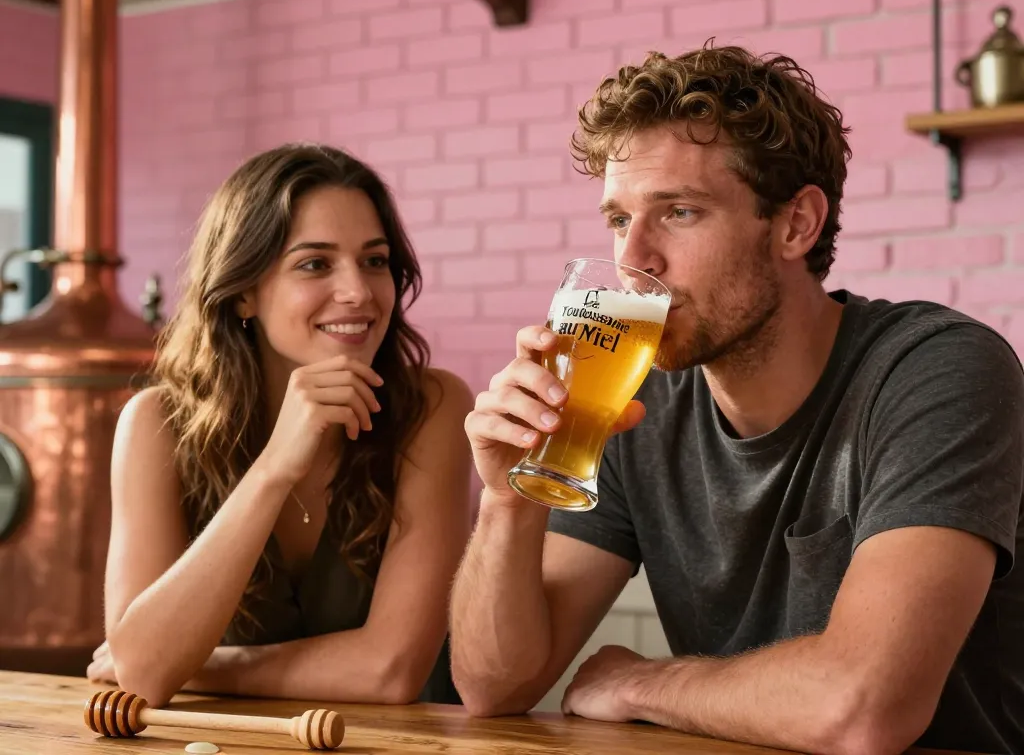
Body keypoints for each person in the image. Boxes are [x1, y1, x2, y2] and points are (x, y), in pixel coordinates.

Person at [451, 45, 1024, 755]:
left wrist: (641, 686)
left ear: (795, 225)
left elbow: (866, 708)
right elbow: (492, 686)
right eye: (617, 219)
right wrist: (508, 500)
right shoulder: (635, 399)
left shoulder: (935, 370)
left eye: (680, 212)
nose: (633, 261)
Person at [87, 143, 473, 708]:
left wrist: (205, 667)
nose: (359, 292)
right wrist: (273, 470)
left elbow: (390, 672)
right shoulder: (154, 425)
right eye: (315, 263)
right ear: (244, 291)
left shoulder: (432, 408)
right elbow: (144, 669)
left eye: (375, 260)